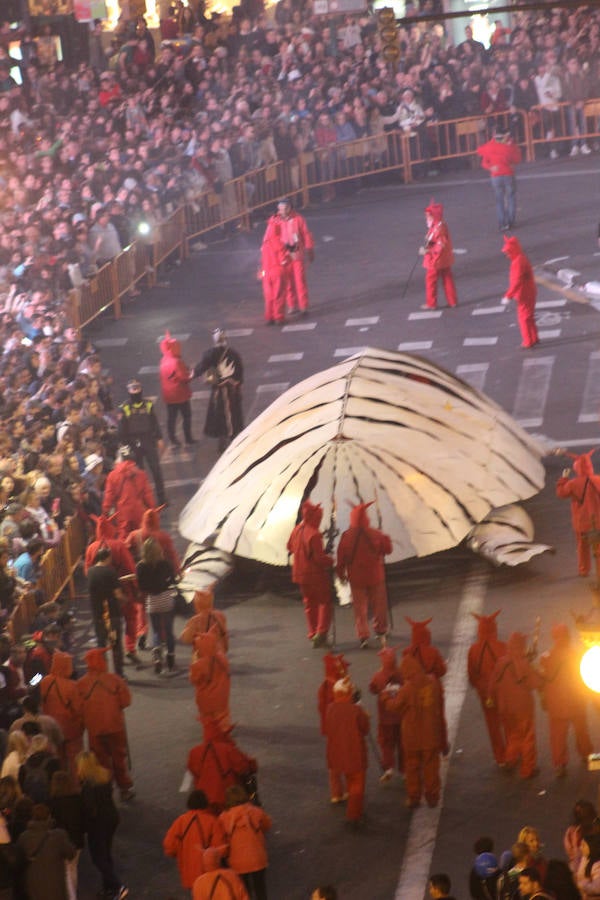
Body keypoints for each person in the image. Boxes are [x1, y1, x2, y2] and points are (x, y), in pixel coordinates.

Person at [384, 654, 444, 809]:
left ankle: (414, 797)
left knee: (412, 767)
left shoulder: (407, 689)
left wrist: (385, 697)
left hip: (412, 737)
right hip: (431, 734)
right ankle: (432, 797)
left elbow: (394, 706)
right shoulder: (434, 683)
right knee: (431, 767)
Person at [77, 649, 134, 802]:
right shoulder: (114, 680)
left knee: (100, 761)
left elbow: (78, 708)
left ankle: (105, 790)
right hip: (115, 726)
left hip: (94, 730)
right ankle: (124, 788)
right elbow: (126, 701)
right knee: (118, 758)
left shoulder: (81, 684)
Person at [336, 500, 392, 649]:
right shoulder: (375, 533)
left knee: (360, 609)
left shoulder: (346, 536)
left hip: (356, 578)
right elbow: (388, 549)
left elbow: (341, 558)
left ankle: (363, 635)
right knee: (379, 605)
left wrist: (341, 575)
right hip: (376, 576)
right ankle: (381, 630)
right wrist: (385, 537)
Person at [539, 623, 592, 777]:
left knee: (557, 735)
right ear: (568, 636)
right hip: (576, 701)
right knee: (581, 731)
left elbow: (541, 679)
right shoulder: (578, 655)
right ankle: (586, 754)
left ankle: (560, 764)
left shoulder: (545, 657)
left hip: (556, 704)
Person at [487, 632, 542, 779]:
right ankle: (527, 769)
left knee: (513, 734)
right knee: (527, 737)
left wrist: (491, 699)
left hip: (505, 707)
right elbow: (535, 683)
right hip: (523, 707)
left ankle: (510, 759)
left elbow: (492, 685)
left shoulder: (501, 662)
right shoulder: (524, 664)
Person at [76, 750, 128, 900]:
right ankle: (109, 888)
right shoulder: (104, 777)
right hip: (111, 819)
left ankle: (118, 886)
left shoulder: (88, 786)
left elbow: (90, 810)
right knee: (105, 854)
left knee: (98, 858)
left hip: (98, 825)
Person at [287, 500, 333, 648]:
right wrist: (330, 560)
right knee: (324, 602)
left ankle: (312, 633)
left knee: (309, 604)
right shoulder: (314, 534)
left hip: (299, 574)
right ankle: (321, 632)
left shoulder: (296, 530)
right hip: (315, 574)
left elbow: (289, 547)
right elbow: (319, 558)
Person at [324, 677, 369, 826]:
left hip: (338, 753)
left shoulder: (330, 708)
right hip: (355, 753)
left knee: (349, 779)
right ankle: (354, 814)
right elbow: (365, 728)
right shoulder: (356, 710)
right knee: (357, 784)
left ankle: (341, 797)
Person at [187, 719, 257, 812]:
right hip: (228, 795)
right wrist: (252, 764)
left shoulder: (194, 751)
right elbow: (243, 768)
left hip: (204, 797)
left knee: (208, 821)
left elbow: (193, 771)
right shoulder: (228, 749)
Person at [163, 789, 226, 891]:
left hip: (188, 873)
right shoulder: (212, 821)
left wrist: (180, 853)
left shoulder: (180, 821)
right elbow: (221, 849)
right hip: (209, 871)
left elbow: (169, 846)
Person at [193, 329, 244, 453]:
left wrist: (193, 374)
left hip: (219, 391)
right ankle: (233, 439)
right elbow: (240, 372)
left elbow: (201, 367)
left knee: (221, 415)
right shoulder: (233, 353)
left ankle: (223, 443)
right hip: (232, 390)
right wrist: (239, 384)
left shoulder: (210, 354)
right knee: (233, 414)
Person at [468, 610, 507, 766]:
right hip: (502, 692)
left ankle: (500, 757)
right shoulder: (502, 646)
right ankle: (512, 752)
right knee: (507, 721)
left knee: (493, 725)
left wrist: (478, 686)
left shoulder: (473, 650)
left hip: (485, 693)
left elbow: (471, 673)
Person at [218, 784, 271, 900]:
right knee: (260, 888)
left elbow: (221, 838)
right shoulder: (256, 811)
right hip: (258, 857)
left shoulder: (223, 817)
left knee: (243, 892)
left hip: (237, 861)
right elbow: (267, 825)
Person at [263, 199, 314, 317]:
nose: (283, 211)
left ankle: (303, 305)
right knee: (288, 283)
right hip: (283, 257)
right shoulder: (275, 222)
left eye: (285, 208)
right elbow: (271, 238)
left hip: (297, 255)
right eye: (280, 209)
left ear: (290, 208)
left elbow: (306, 234)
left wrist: (310, 249)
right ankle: (291, 305)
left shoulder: (298, 219)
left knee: (300, 280)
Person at [118, 379, 166, 504]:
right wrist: (125, 448)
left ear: (141, 388)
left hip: (148, 440)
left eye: (137, 387)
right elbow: (122, 430)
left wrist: (159, 438)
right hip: (134, 443)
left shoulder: (148, 404)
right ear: (128, 390)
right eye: (132, 388)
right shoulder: (125, 407)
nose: (135, 390)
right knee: (139, 474)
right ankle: (143, 501)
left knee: (156, 470)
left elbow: (154, 422)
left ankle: (162, 498)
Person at [15, 802, 75, 900]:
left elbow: (19, 859)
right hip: (55, 882)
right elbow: (71, 854)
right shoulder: (59, 835)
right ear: (49, 816)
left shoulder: (24, 837)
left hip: (33, 883)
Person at [136, 536, 177, 675]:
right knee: (169, 631)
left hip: (152, 601)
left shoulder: (140, 566)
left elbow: (141, 586)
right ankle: (170, 657)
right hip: (166, 599)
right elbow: (172, 580)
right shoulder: (165, 564)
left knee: (156, 630)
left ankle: (157, 656)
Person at [556, 450, 600, 579]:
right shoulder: (598, 480)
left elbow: (561, 493)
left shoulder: (573, 484)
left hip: (582, 523)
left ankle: (584, 570)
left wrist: (563, 478)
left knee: (582, 546)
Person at [40, 651, 84, 778]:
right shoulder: (71, 686)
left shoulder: (45, 682)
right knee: (75, 760)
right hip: (70, 728)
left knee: (59, 760)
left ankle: (61, 787)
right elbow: (78, 709)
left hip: (51, 728)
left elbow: (40, 700)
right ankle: (76, 788)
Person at [86, 547, 127, 677]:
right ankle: (119, 673)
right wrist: (126, 599)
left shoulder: (90, 572)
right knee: (116, 645)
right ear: (107, 558)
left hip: (97, 614)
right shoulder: (111, 572)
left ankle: (102, 673)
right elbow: (118, 594)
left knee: (101, 645)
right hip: (112, 614)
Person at [101, 445, 156, 539]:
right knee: (144, 537)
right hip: (139, 512)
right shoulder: (141, 474)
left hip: (123, 514)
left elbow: (109, 497)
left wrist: (105, 513)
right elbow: (148, 495)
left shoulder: (112, 476)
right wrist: (152, 509)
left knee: (124, 539)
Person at [369, 647, 403, 783]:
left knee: (386, 744)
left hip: (385, 719)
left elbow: (372, 688)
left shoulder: (378, 676)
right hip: (401, 717)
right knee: (402, 744)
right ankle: (405, 769)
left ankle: (388, 767)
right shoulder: (402, 674)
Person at [48, 771, 85, 900]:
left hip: (62, 842)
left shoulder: (53, 803)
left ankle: (70, 896)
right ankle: (73, 893)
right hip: (77, 840)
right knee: (73, 868)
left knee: (65, 871)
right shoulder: (77, 798)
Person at [476, 131, 522, 231]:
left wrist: (491, 167)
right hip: (508, 174)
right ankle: (510, 221)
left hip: (496, 176)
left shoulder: (489, 147)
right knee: (511, 197)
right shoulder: (508, 147)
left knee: (499, 199)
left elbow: (483, 160)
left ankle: (502, 223)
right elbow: (517, 159)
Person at [159, 330, 195, 448]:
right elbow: (184, 377)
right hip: (180, 394)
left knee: (171, 419)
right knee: (186, 416)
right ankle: (188, 438)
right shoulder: (176, 362)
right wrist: (191, 373)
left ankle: (173, 440)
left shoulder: (163, 360)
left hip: (169, 395)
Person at [501, 235, 539, 350]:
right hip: (529, 292)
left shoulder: (517, 262)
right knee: (529, 317)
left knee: (523, 318)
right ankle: (534, 337)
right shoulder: (521, 258)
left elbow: (516, 282)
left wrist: (508, 295)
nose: (507, 255)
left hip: (524, 294)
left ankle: (528, 341)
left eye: (508, 252)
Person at [419, 200, 458, 311]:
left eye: (428, 216)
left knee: (431, 280)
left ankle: (431, 303)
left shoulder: (438, 227)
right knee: (447, 278)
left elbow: (440, 245)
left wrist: (428, 251)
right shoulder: (439, 225)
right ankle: (452, 301)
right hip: (444, 259)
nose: (426, 218)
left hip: (436, 260)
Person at [190, 628, 230, 732]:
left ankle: (212, 732)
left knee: (208, 716)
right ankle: (224, 730)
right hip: (222, 694)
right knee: (222, 713)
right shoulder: (222, 658)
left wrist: (193, 662)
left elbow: (194, 679)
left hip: (205, 697)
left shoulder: (199, 664)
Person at [259, 219, 291, 326]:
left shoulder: (264, 244)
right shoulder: (279, 243)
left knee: (269, 296)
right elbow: (283, 260)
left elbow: (262, 260)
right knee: (279, 295)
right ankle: (278, 317)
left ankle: (269, 317)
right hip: (277, 271)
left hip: (266, 272)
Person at [180, 587, 228, 656]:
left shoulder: (195, 620)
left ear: (197, 604)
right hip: (219, 654)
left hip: (202, 655)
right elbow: (224, 634)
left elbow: (186, 639)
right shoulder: (219, 615)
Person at [564, 800, 600, 875]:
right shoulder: (572, 832)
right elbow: (571, 853)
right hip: (576, 869)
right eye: (577, 812)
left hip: (594, 867)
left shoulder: (596, 828)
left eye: (582, 812)